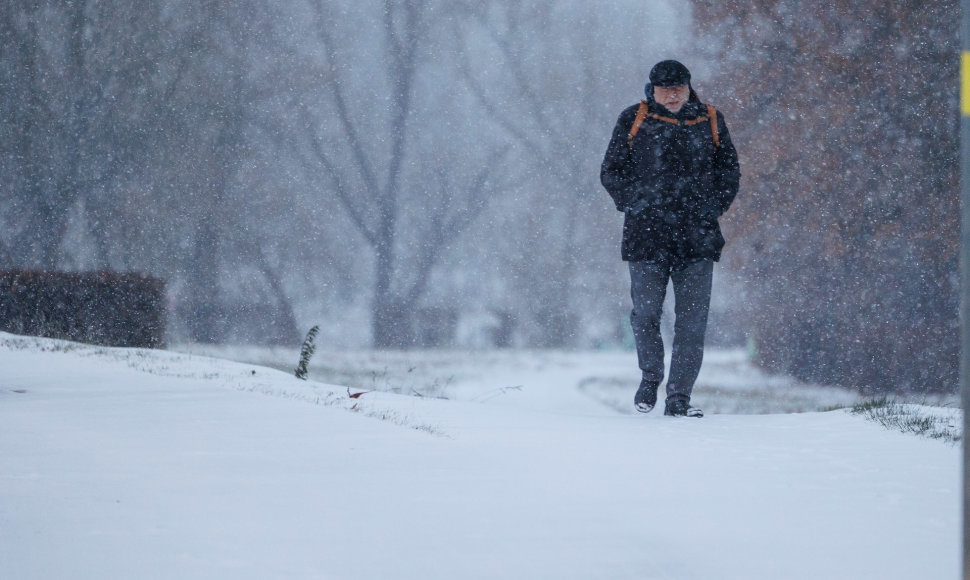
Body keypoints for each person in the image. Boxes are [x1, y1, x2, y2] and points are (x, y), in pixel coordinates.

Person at [600, 60, 740, 417]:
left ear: (689, 86)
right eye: (666, 88)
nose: (673, 94)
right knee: (645, 314)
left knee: (692, 322)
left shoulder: (710, 119)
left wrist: (712, 206)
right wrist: (636, 201)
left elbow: (729, 170)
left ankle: (679, 396)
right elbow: (611, 171)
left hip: (698, 238)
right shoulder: (633, 119)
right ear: (652, 89)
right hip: (647, 238)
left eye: (679, 87)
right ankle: (651, 376)